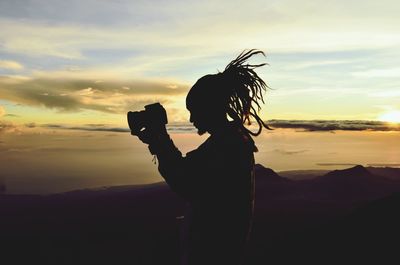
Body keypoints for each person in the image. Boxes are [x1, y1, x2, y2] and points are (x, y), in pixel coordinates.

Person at [133, 49, 270, 265]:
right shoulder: (233, 141)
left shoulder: (228, 146)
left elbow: (185, 181)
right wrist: (159, 141)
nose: (191, 118)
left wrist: (160, 140)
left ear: (210, 107)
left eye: (194, 110)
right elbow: (192, 175)